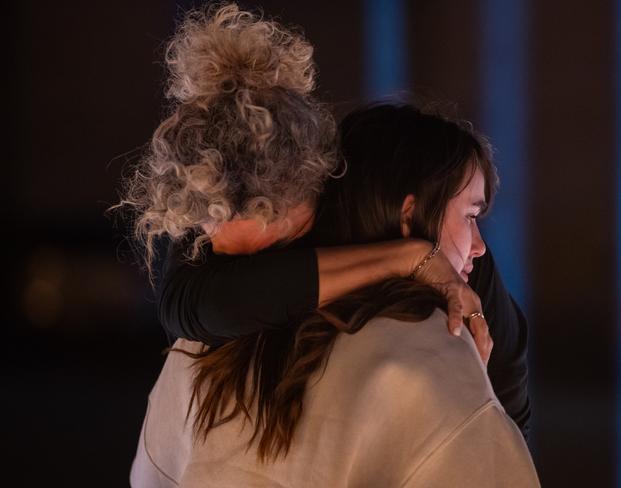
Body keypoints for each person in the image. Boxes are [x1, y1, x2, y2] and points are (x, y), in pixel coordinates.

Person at [117, 2, 531, 439]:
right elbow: (192, 302)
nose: (226, 261)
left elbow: (512, 427)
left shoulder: (340, 205)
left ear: (303, 196)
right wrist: (411, 258)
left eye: (249, 248)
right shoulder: (218, 214)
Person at [131, 103, 539, 487]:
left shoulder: (205, 348)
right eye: (470, 215)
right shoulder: (431, 352)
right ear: (408, 214)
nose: (480, 246)